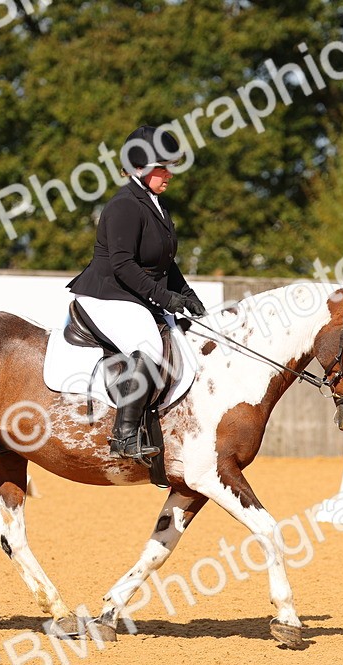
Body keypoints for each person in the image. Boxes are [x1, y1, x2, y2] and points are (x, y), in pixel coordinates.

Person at [67, 124, 207, 461]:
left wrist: (186, 293)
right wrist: (165, 298)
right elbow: (123, 265)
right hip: (106, 294)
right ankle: (124, 435)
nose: (169, 174)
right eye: (162, 167)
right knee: (149, 347)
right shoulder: (124, 206)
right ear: (140, 168)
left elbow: (164, 261)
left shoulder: (154, 203)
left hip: (131, 293)